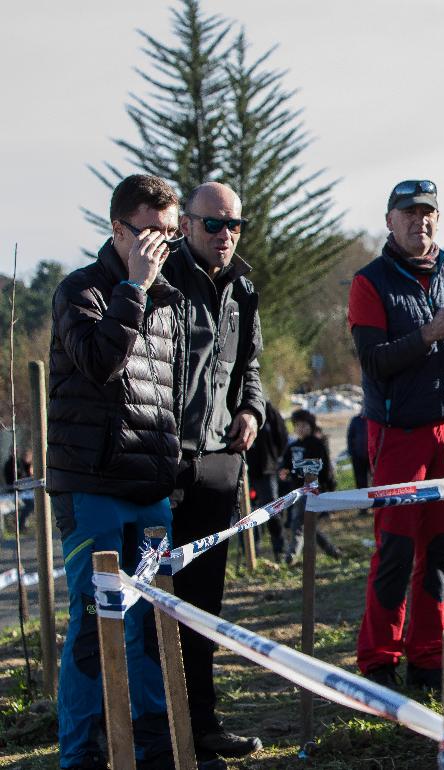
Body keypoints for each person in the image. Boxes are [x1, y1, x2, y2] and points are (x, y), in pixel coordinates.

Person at [48, 174, 183, 770]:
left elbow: (167, 393)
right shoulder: (80, 291)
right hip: (92, 485)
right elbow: (101, 362)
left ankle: (153, 744)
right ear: (116, 229)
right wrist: (134, 286)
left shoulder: (169, 300)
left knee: (150, 622)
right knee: (89, 625)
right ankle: (80, 753)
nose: (159, 248)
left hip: (150, 487)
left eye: (170, 237)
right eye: (149, 234)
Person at [348, 178, 444, 691]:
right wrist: (431, 331)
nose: (419, 222)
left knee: (441, 549)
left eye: (428, 213)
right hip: (397, 433)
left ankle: (428, 657)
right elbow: (374, 362)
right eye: (408, 213)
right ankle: (378, 658)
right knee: (396, 550)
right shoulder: (369, 282)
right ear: (389, 221)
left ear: (438, 219)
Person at [163, 181, 265, 761]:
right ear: (185, 226)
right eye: (213, 224)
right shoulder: (163, 283)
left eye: (234, 225)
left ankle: (202, 725)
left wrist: (251, 408)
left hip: (220, 463)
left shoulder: (244, 287)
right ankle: (159, 730)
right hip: (166, 461)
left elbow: (248, 363)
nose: (225, 235)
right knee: (156, 606)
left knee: (204, 605)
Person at [279, 409, 342, 561]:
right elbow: (285, 466)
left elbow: (326, 467)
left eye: (304, 425)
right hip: (297, 490)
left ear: (311, 426)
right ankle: (332, 550)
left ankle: (291, 556)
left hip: (314, 489)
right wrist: (284, 473)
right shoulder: (292, 446)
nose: (301, 428)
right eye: (297, 425)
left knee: (298, 523)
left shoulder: (317, 444)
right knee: (308, 524)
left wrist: (328, 486)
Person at [246, 399, 288, 559]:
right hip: (244, 470)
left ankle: (280, 549)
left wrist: (274, 458)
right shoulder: (233, 405)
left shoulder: (269, 411)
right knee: (246, 514)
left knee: (272, 510)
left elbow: (282, 436)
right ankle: (251, 553)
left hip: (267, 470)